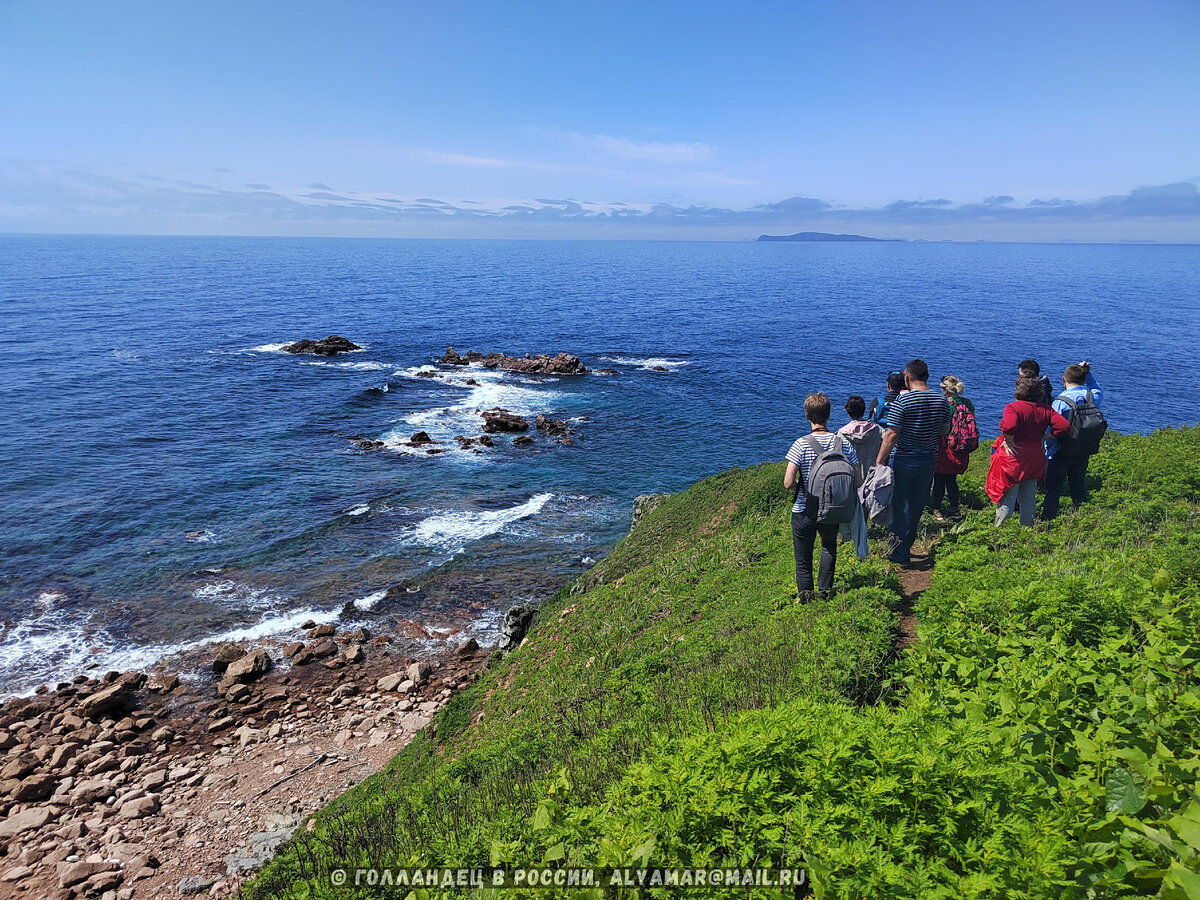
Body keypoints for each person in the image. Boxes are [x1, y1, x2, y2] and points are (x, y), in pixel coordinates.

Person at [875, 359, 952, 566]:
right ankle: (906, 546)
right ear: (926, 376)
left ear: (907, 377)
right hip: (929, 458)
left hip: (905, 458)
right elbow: (945, 430)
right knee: (917, 504)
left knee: (899, 505)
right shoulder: (941, 401)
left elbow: (891, 434)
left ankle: (898, 551)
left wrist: (880, 461)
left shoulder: (903, 402)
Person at [784, 392, 860, 601]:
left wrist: (804, 489)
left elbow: (788, 482)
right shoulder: (842, 443)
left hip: (804, 509)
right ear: (828, 415)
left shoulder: (801, 444)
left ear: (807, 416)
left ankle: (806, 599)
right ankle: (824, 594)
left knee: (803, 559)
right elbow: (858, 477)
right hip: (832, 508)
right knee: (828, 548)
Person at [993, 376, 1070, 526]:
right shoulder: (1046, 409)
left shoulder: (1013, 407)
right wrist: (1047, 436)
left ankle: (1000, 532)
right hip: (1036, 456)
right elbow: (1064, 426)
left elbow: (1009, 426)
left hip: (1015, 456)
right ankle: (1027, 532)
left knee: (1008, 497)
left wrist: (1008, 439)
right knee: (1028, 499)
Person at [1043, 361, 1104, 519]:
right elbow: (1097, 388)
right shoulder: (1092, 397)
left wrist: (1047, 451)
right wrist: (1088, 372)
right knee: (1078, 487)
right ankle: (1081, 519)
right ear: (1084, 380)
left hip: (1061, 451)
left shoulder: (1060, 402)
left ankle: (1048, 522)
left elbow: (1052, 430)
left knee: (1053, 491)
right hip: (1084, 448)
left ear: (1064, 379)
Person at [929, 375, 977, 520]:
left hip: (945, 446)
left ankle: (937, 510)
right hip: (961, 446)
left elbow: (940, 427)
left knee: (939, 480)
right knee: (951, 479)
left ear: (944, 389)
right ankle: (954, 509)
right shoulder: (968, 403)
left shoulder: (946, 405)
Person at [838, 395, 882, 481]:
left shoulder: (841, 434)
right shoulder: (877, 429)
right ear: (864, 410)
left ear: (848, 412)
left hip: (851, 478)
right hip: (872, 476)